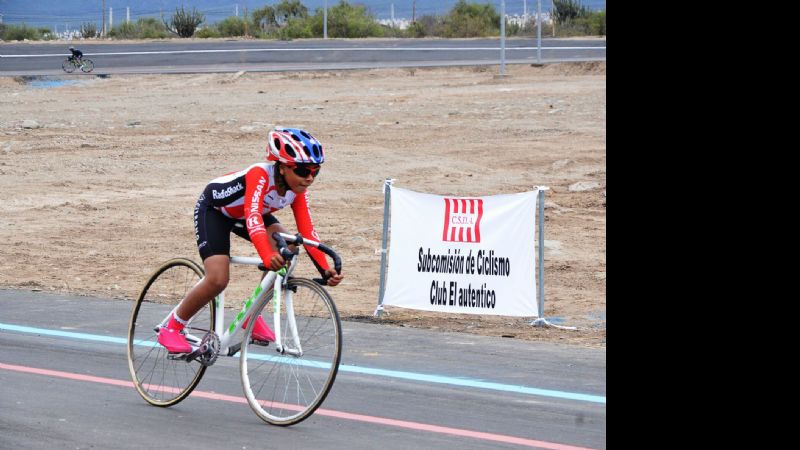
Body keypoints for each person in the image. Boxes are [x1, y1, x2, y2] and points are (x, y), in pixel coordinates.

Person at [158, 127, 344, 354]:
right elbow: (253, 217)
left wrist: (325, 269)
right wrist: (267, 256)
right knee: (218, 279)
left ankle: (251, 315)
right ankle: (173, 325)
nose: (309, 178)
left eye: (316, 172)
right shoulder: (260, 175)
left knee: (290, 245)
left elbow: (308, 233)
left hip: (244, 215)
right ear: (283, 167)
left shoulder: (297, 189)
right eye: (303, 170)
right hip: (216, 212)